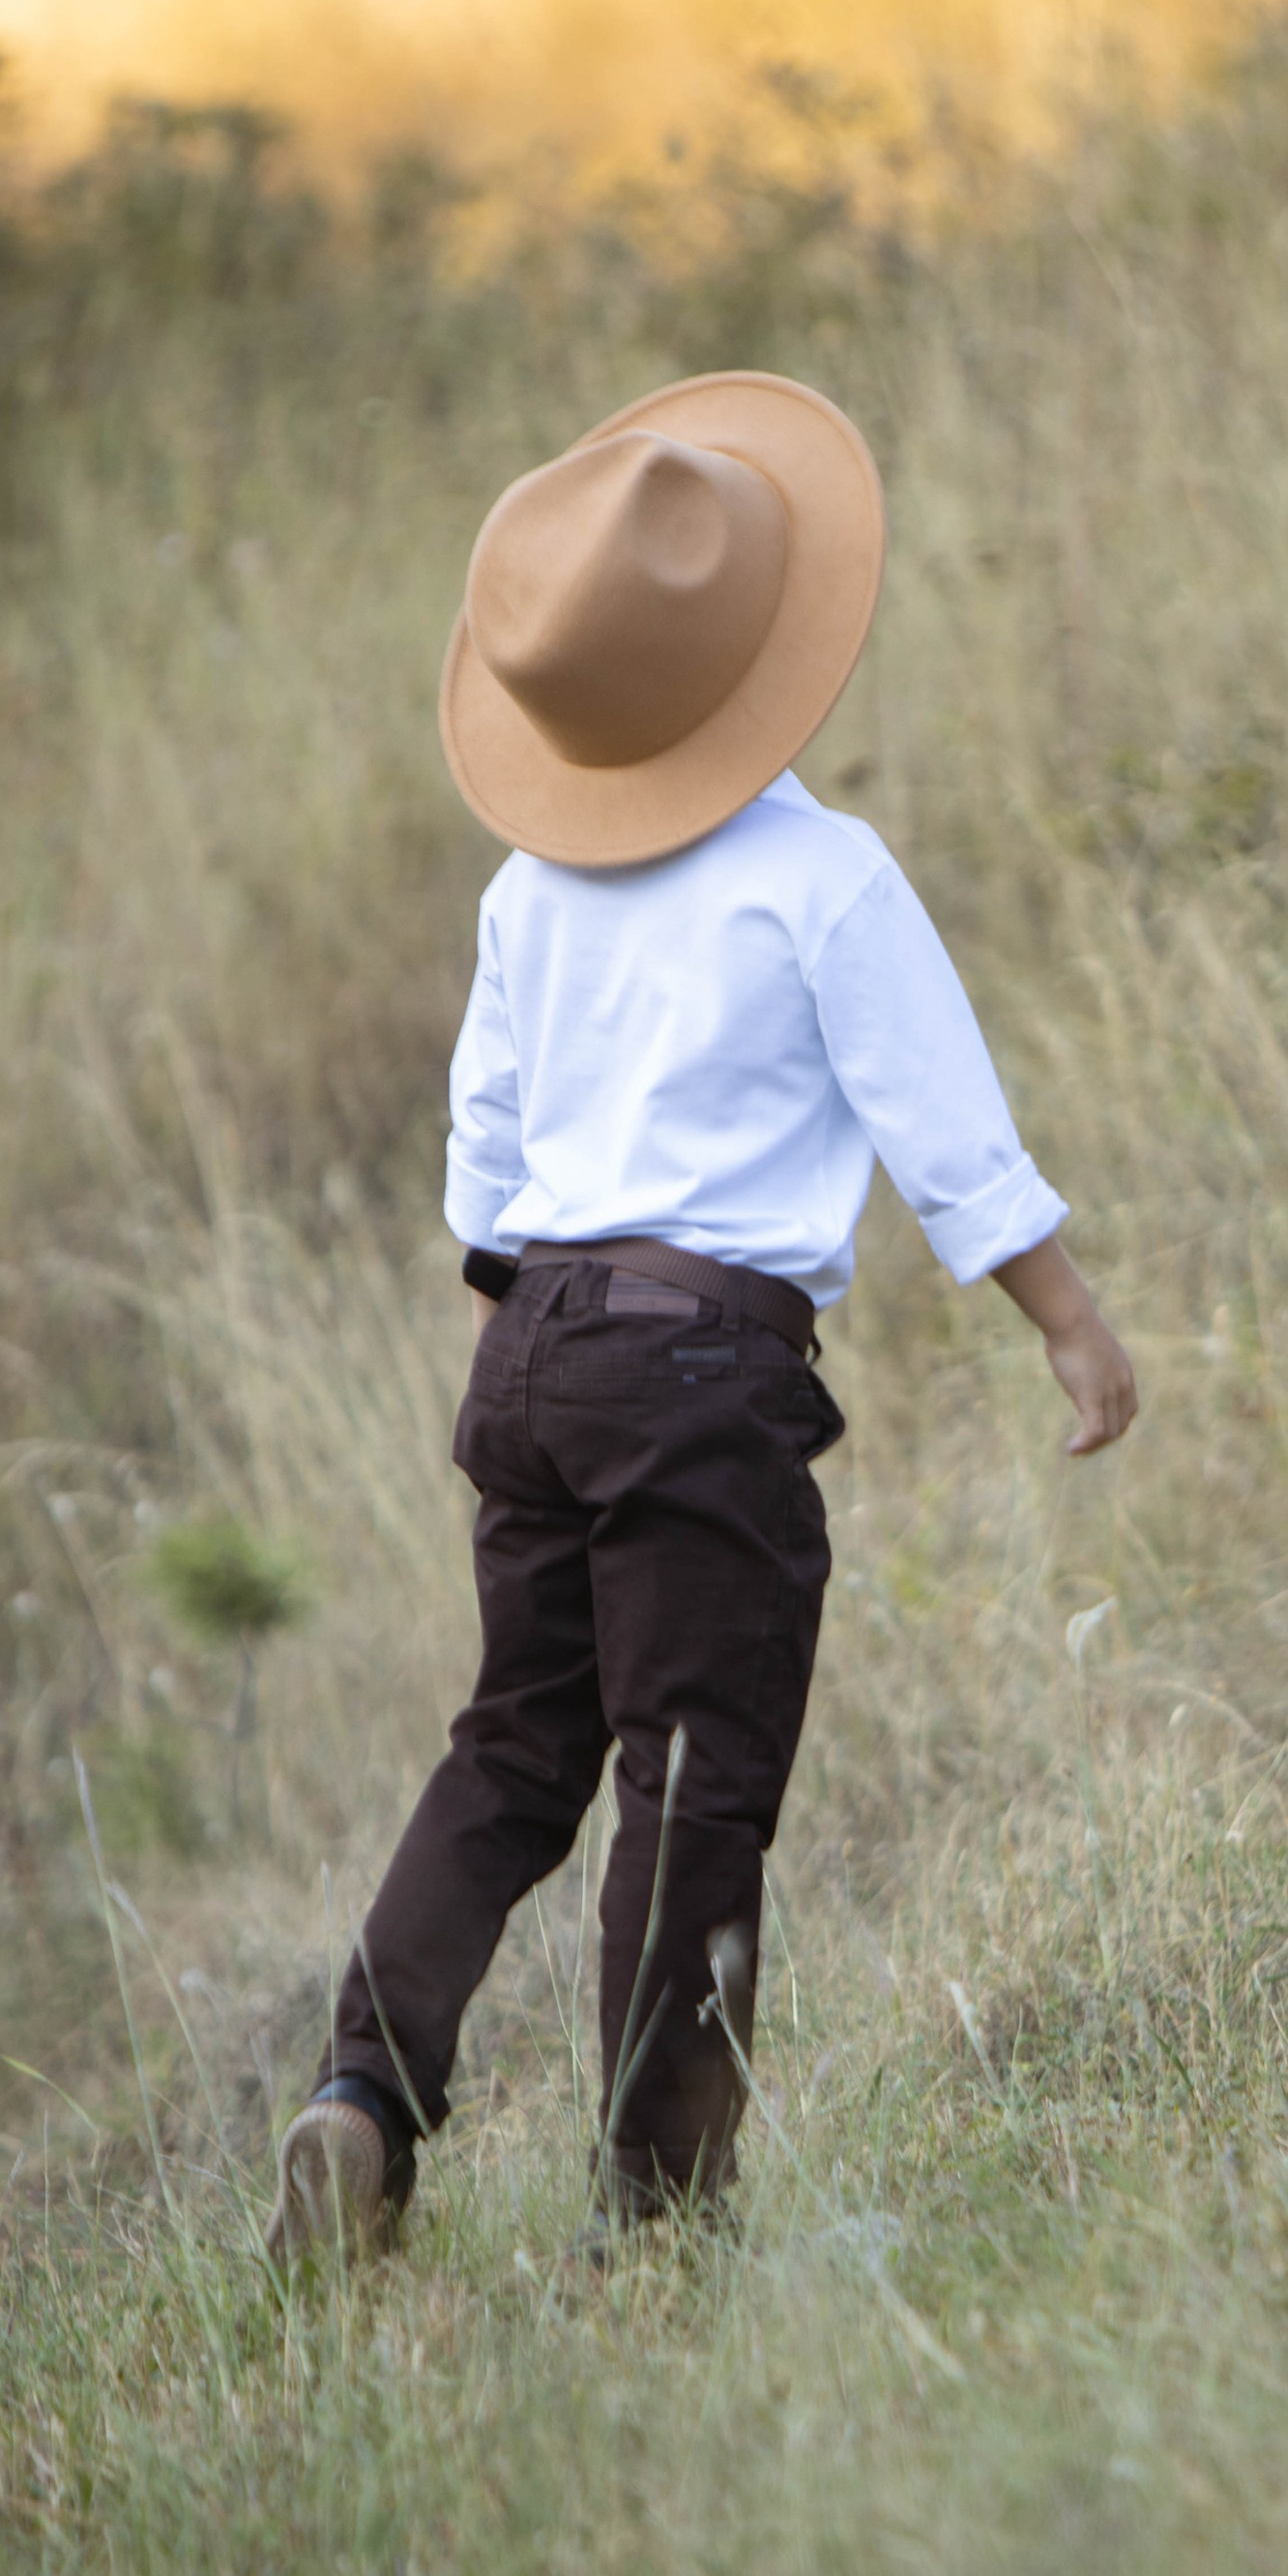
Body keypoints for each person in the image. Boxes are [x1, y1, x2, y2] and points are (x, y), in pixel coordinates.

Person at [265, 371, 1136, 2267]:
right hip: (699, 1368)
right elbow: (940, 1125)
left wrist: (525, 1330)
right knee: (692, 1778)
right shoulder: (823, 879)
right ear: (768, 654)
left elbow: (483, 1155)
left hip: (533, 1344)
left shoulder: (528, 891)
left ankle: (361, 2095)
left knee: (513, 1751)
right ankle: (656, 2218)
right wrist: (1066, 1317)